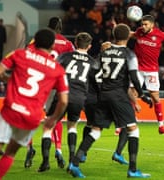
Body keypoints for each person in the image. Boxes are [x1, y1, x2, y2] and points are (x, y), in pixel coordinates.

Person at [0, 28, 69, 180]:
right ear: (53, 46)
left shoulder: (19, 54)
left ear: (34, 41)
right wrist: (53, 119)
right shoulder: (58, 69)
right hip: (32, 117)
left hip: (11, 110)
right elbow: (64, 100)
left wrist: (12, 80)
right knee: (10, 153)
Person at [68, 23, 152, 178]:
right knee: (133, 129)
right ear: (127, 37)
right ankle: (133, 170)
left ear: (114, 36)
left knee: (95, 131)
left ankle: (75, 162)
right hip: (119, 95)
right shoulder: (129, 54)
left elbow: (93, 70)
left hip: (103, 95)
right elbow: (134, 76)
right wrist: (143, 95)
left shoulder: (104, 53)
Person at [38, 32, 95, 172]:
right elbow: (96, 83)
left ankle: (45, 162)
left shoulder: (65, 56)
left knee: (48, 127)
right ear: (90, 46)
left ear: (75, 43)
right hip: (79, 97)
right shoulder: (93, 62)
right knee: (72, 127)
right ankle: (71, 161)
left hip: (62, 95)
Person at [24, 16, 74, 169]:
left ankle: (30, 148)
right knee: (55, 119)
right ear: (60, 27)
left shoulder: (40, 40)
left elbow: (27, 53)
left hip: (39, 83)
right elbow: (72, 60)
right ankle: (58, 149)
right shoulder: (67, 43)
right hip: (57, 84)